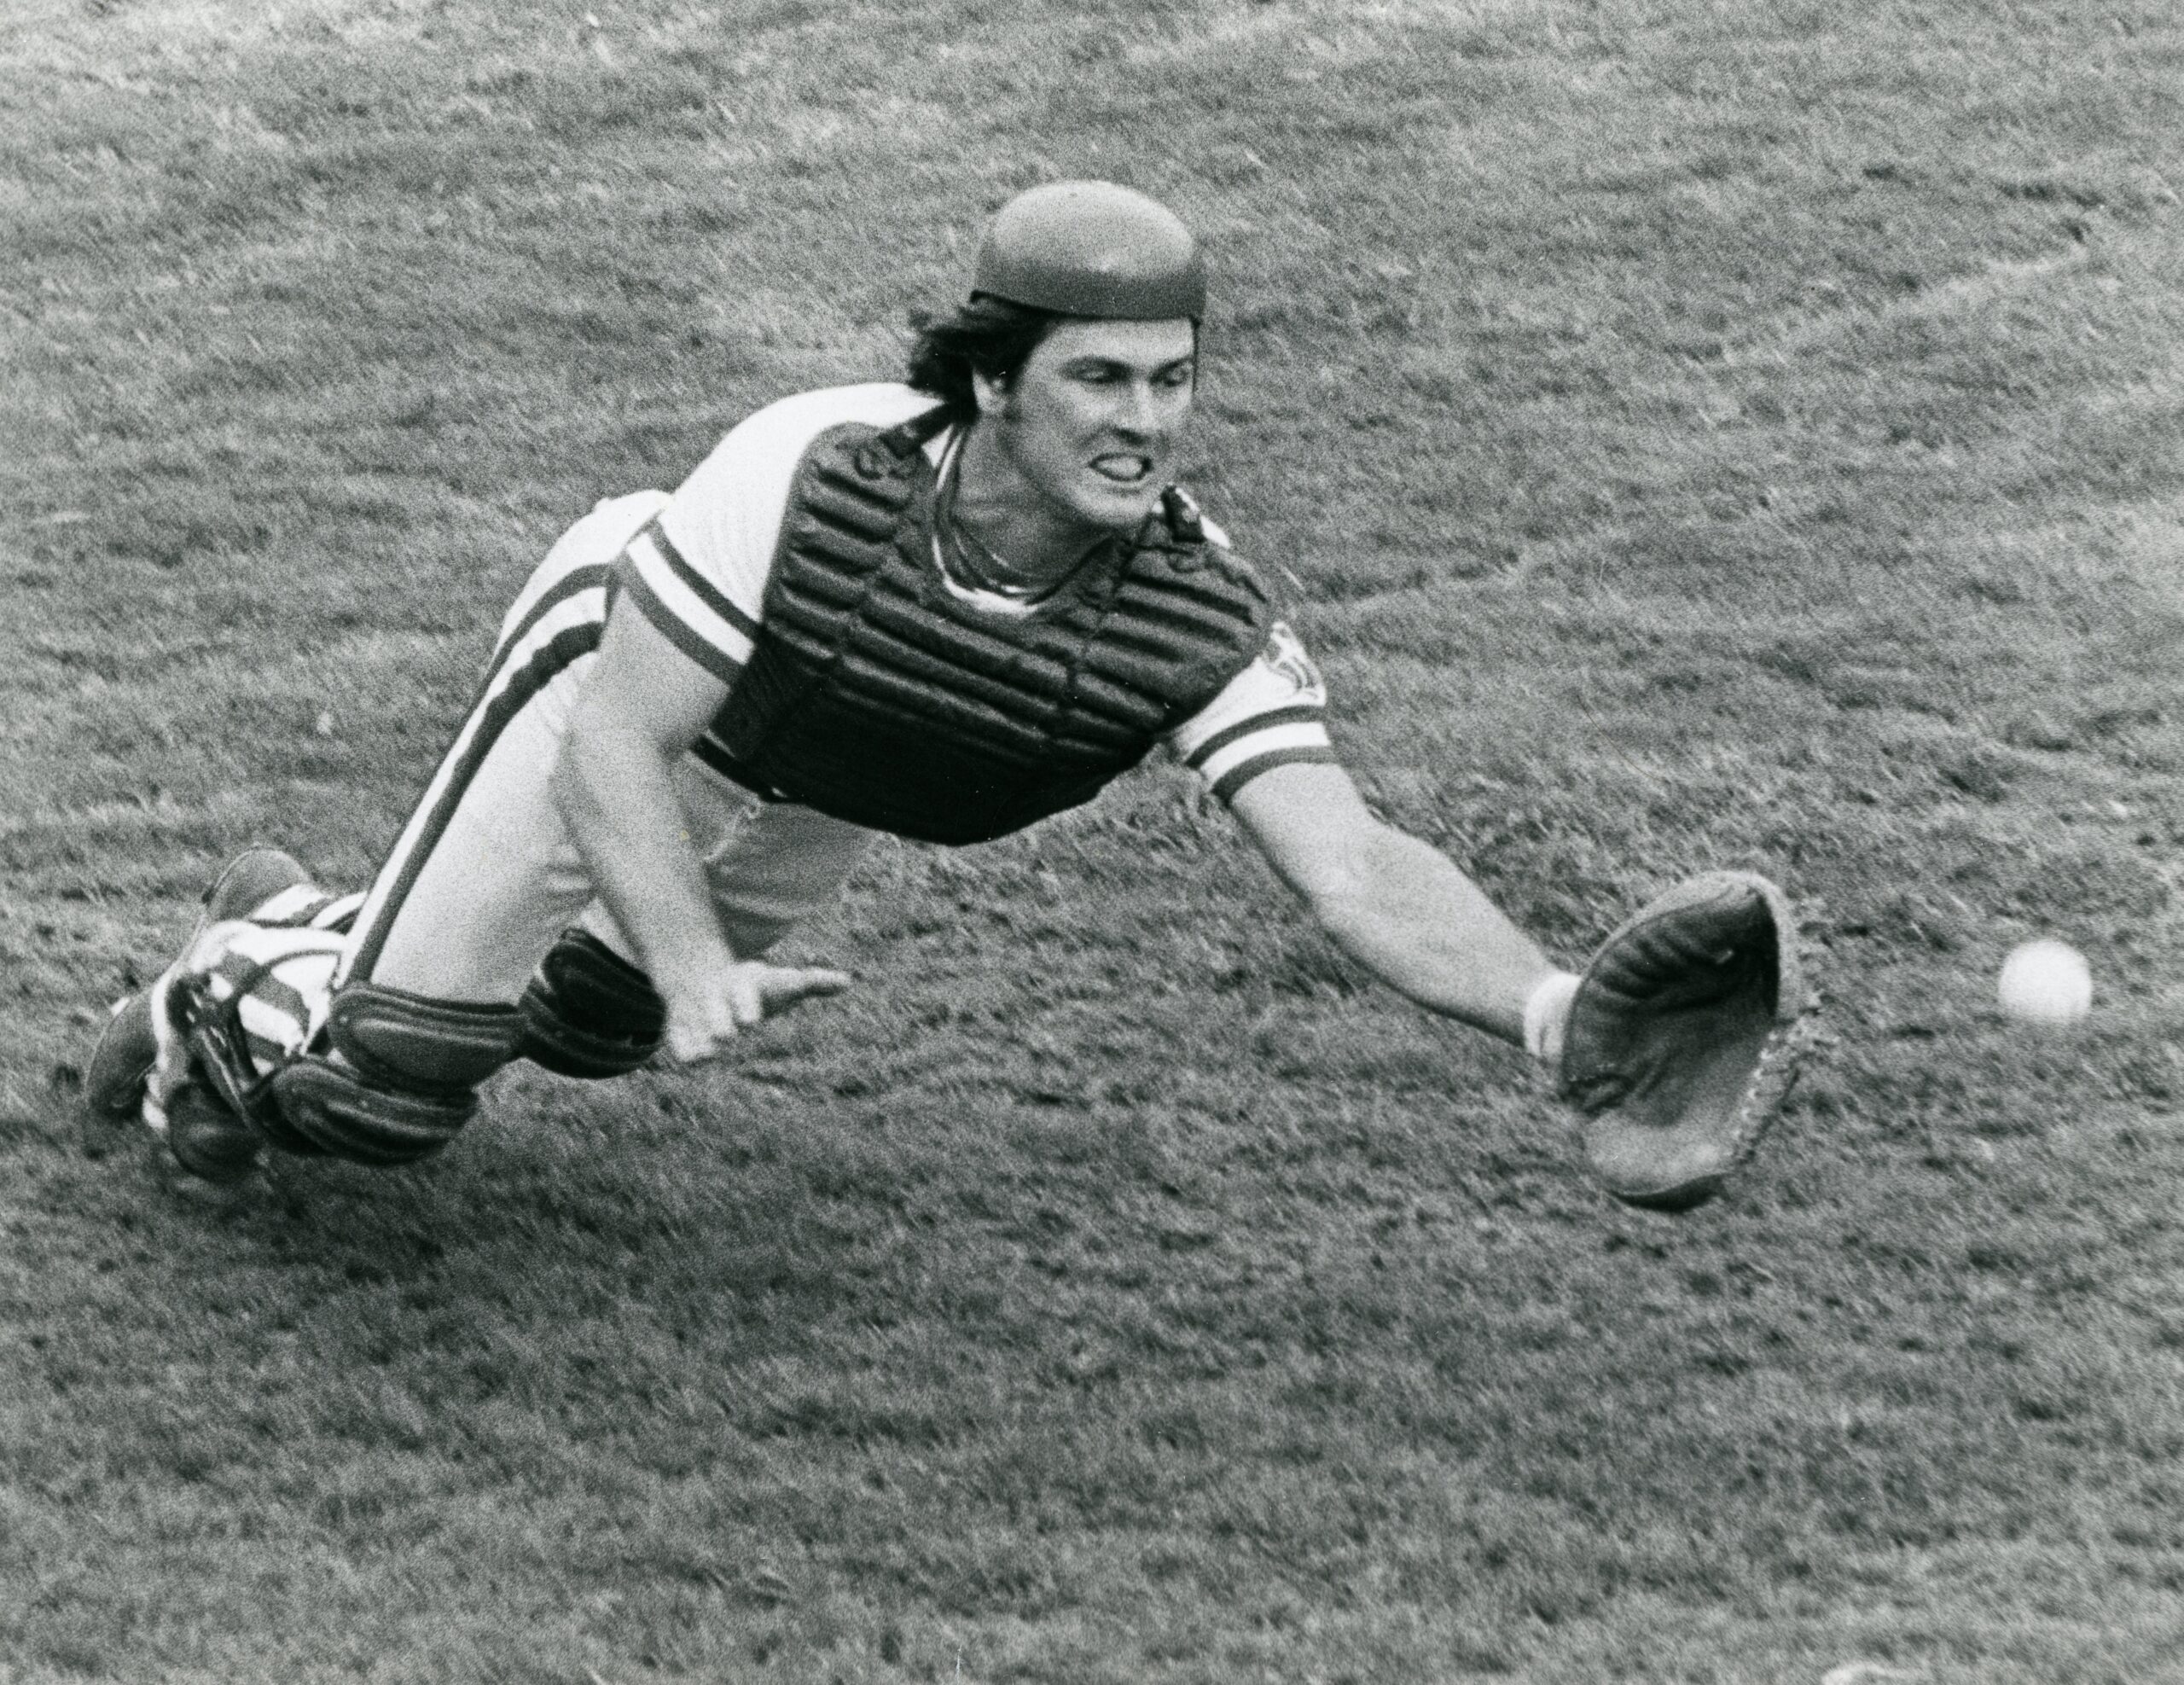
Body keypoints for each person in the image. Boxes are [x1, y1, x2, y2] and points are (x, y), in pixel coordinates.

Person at [84, 180, 1736, 1195]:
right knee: (376, 1086)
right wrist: (682, 958)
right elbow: (612, 746)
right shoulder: (811, 473)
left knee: (580, 1028)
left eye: (1171, 380)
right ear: (993, 375)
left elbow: (1350, 862)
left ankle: (319, 924)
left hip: (823, 778)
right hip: (642, 675)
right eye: (1097, 376)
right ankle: (217, 986)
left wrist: (1543, 1003)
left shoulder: (1181, 606)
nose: (1143, 421)